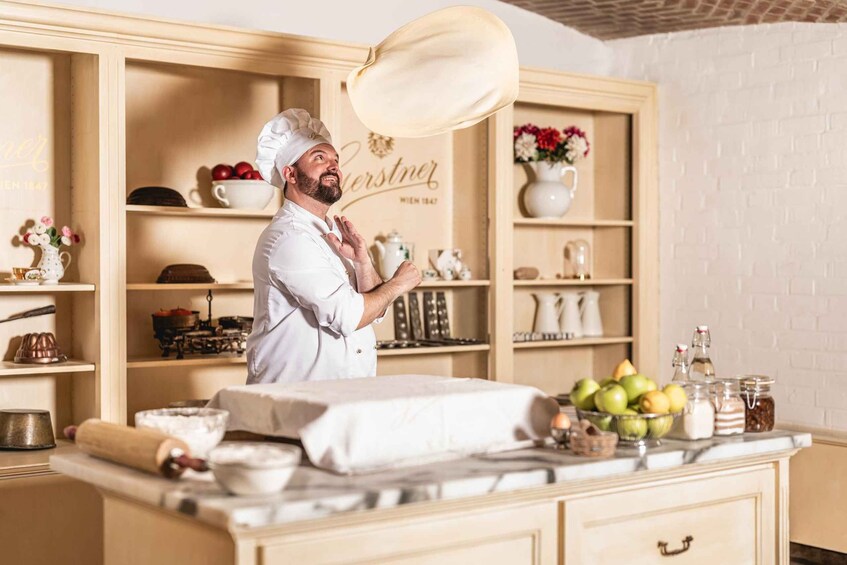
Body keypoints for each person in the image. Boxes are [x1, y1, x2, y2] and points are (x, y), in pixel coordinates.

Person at [247, 108, 420, 384]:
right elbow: (349, 316)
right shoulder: (290, 238)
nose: (333, 167)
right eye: (319, 157)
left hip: (340, 391)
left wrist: (363, 262)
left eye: (336, 160)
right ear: (290, 174)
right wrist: (398, 284)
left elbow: (376, 310)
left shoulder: (331, 231)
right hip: (294, 395)